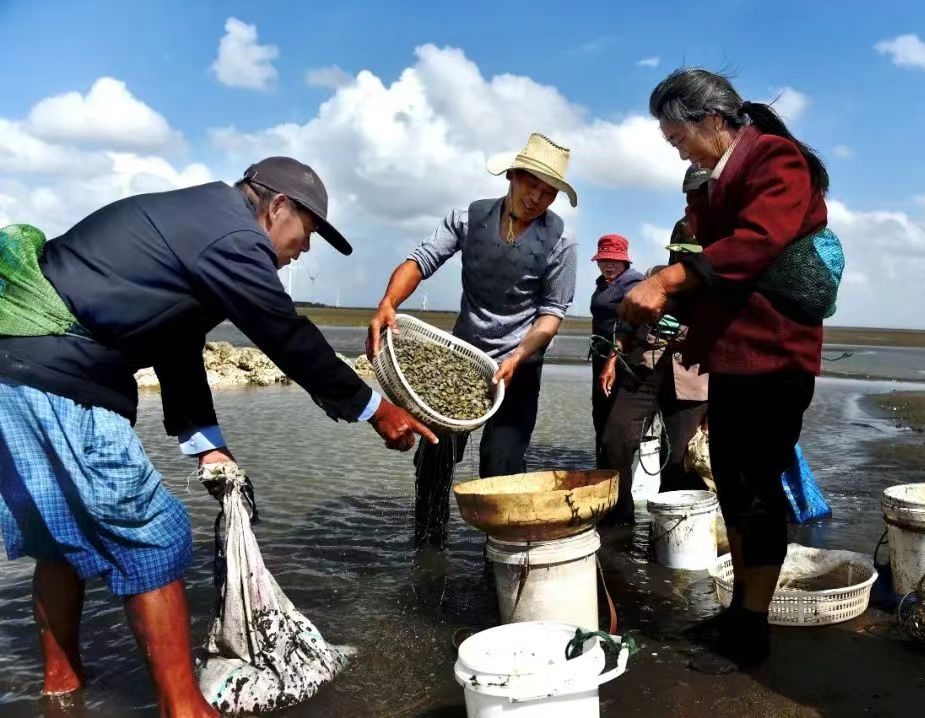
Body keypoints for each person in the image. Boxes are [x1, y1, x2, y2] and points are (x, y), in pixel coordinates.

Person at [0, 157, 435, 717]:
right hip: (57, 374)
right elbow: (283, 330)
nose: (305, 250)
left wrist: (206, 442)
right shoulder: (231, 234)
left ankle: (61, 685)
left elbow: (175, 345)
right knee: (154, 533)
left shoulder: (195, 225)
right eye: (307, 232)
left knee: (59, 540)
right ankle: (185, 709)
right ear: (277, 207)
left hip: (15, 367)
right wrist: (376, 409)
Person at [621, 68, 831, 671]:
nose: (676, 147)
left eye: (677, 135)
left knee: (755, 487)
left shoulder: (776, 161)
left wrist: (666, 279)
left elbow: (752, 246)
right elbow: (717, 274)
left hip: (776, 355)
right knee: (736, 488)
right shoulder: (711, 180)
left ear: (712, 120)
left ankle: (752, 627)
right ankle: (744, 610)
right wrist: (691, 327)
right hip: (735, 354)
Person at [367, 133, 578, 546]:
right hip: (461, 358)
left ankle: (498, 559)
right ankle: (428, 550)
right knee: (433, 461)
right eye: (530, 184)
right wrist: (388, 301)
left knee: (500, 471)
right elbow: (421, 260)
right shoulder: (469, 218)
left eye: (548, 191)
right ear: (512, 176)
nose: (537, 197)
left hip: (520, 365)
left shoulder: (561, 242)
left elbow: (551, 315)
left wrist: (519, 355)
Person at [597, 169, 711, 523]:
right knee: (615, 440)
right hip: (643, 366)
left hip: (692, 377)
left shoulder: (717, 281)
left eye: (690, 255)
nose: (683, 261)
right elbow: (629, 322)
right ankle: (619, 521)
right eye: (679, 254)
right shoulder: (654, 276)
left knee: (681, 460)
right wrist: (613, 359)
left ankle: (671, 530)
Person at [588, 234, 643, 464]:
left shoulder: (633, 282)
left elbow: (631, 325)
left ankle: (616, 471)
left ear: (625, 262)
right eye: (604, 260)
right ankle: (601, 471)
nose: (608, 265)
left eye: (614, 260)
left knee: (615, 421)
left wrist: (613, 358)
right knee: (599, 416)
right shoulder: (603, 284)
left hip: (623, 360)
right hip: (600, 359)